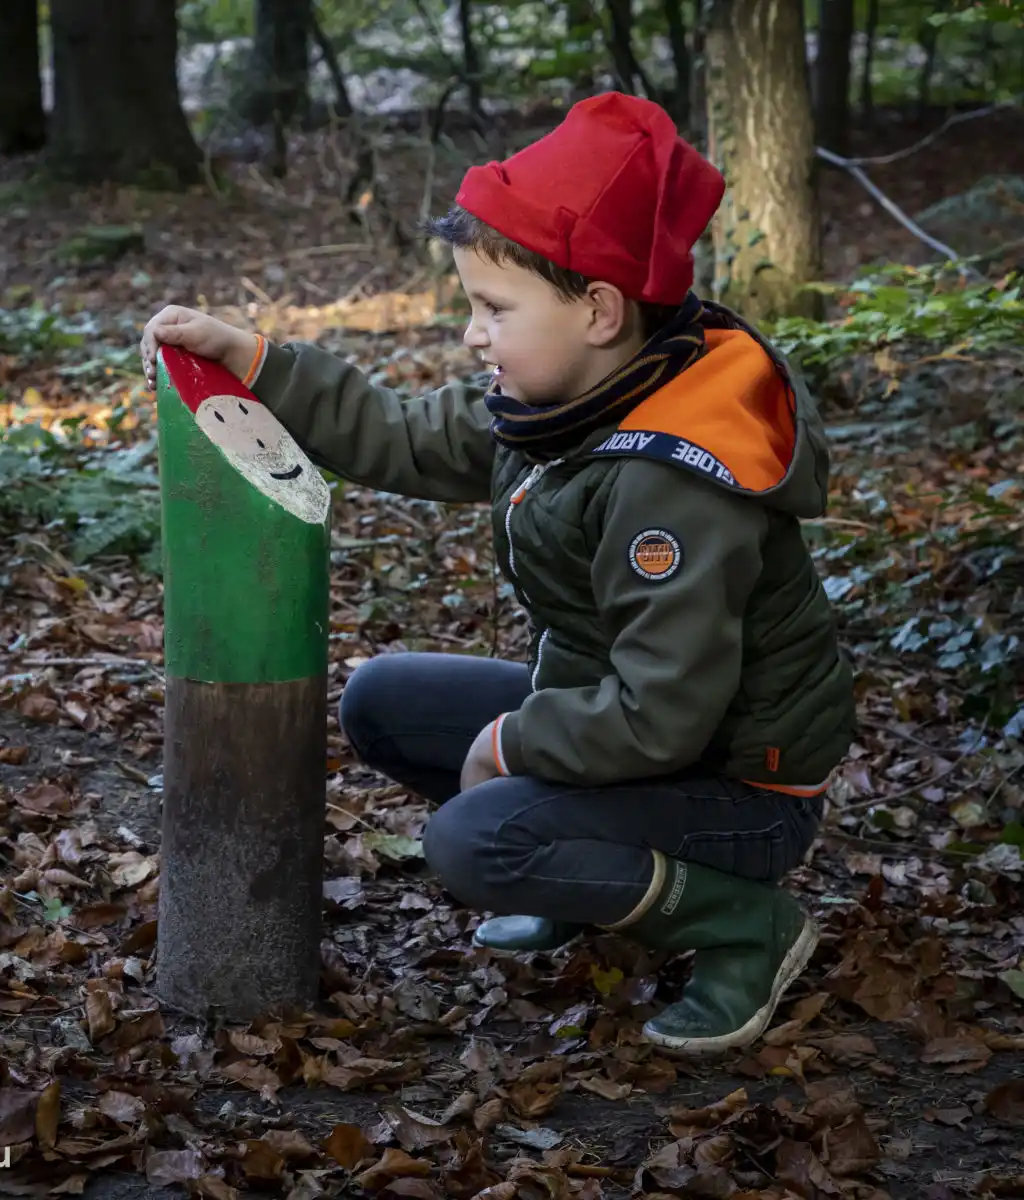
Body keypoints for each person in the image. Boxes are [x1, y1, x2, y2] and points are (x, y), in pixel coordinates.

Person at [140, 92, 857, 1057]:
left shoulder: (671, 476)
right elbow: (402, 436)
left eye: (493, 308)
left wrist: (515, 745)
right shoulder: (568, 397)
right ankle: (585, 884)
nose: (474, 334)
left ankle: (744, 928)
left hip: (738, 788)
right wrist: (256, 359)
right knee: (384, 700)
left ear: (600, 309)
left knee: (475, 841)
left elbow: (666, 713)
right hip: (642, 734)